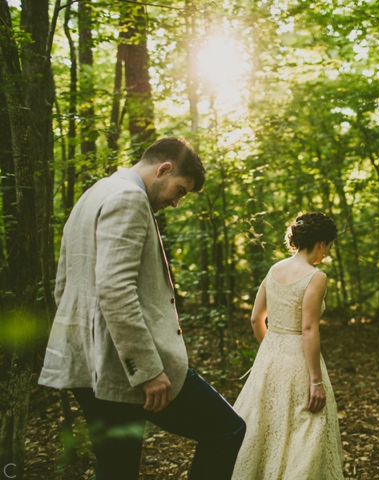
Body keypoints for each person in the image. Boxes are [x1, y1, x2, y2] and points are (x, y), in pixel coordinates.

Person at [38, 137, 246, 480]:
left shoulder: (94, 193)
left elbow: (64, 285)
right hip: (123, 364)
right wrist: (147, 370)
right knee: (226, 429)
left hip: (86, 360)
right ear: (163, 169)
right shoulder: (129, 197)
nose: (177, 202)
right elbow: (115, 289)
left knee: (116, 467)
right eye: (179, 190)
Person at [232, 212, 344, 479]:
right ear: (320, 243)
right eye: (328, 246)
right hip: (300, 363)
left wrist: (271, 348)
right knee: (305, 429)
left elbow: (255, 318)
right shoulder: (316, 277)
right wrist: (315, 380)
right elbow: (308, 328)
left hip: (269, 359)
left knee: (265, 426)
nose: (327, 253)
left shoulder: (274, 270)